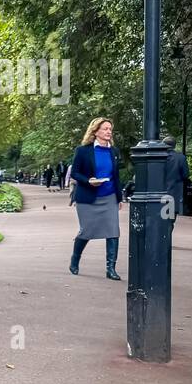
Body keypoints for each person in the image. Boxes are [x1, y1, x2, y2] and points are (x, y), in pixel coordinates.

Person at [69, 117, 124, 280]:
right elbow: (75, 173)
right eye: (105, 129)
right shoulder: (83, 150)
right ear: (96, 131)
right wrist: (89, 181)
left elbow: (116, 176)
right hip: (87, 197)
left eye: (110, 129)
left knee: (113, 231)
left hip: (109, 197)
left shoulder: (114, 151)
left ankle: (110, 269)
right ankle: (75, 259)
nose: (108, 132)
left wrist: (119, 197)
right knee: (87, 231)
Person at [163, 136, 190, 227]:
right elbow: (185, 175)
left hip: (157, 194)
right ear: (174, 146)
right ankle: (166, 239)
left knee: (158, 220)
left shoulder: (158, 157)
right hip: (173, 193)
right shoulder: (180, 158)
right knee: (170, 221)